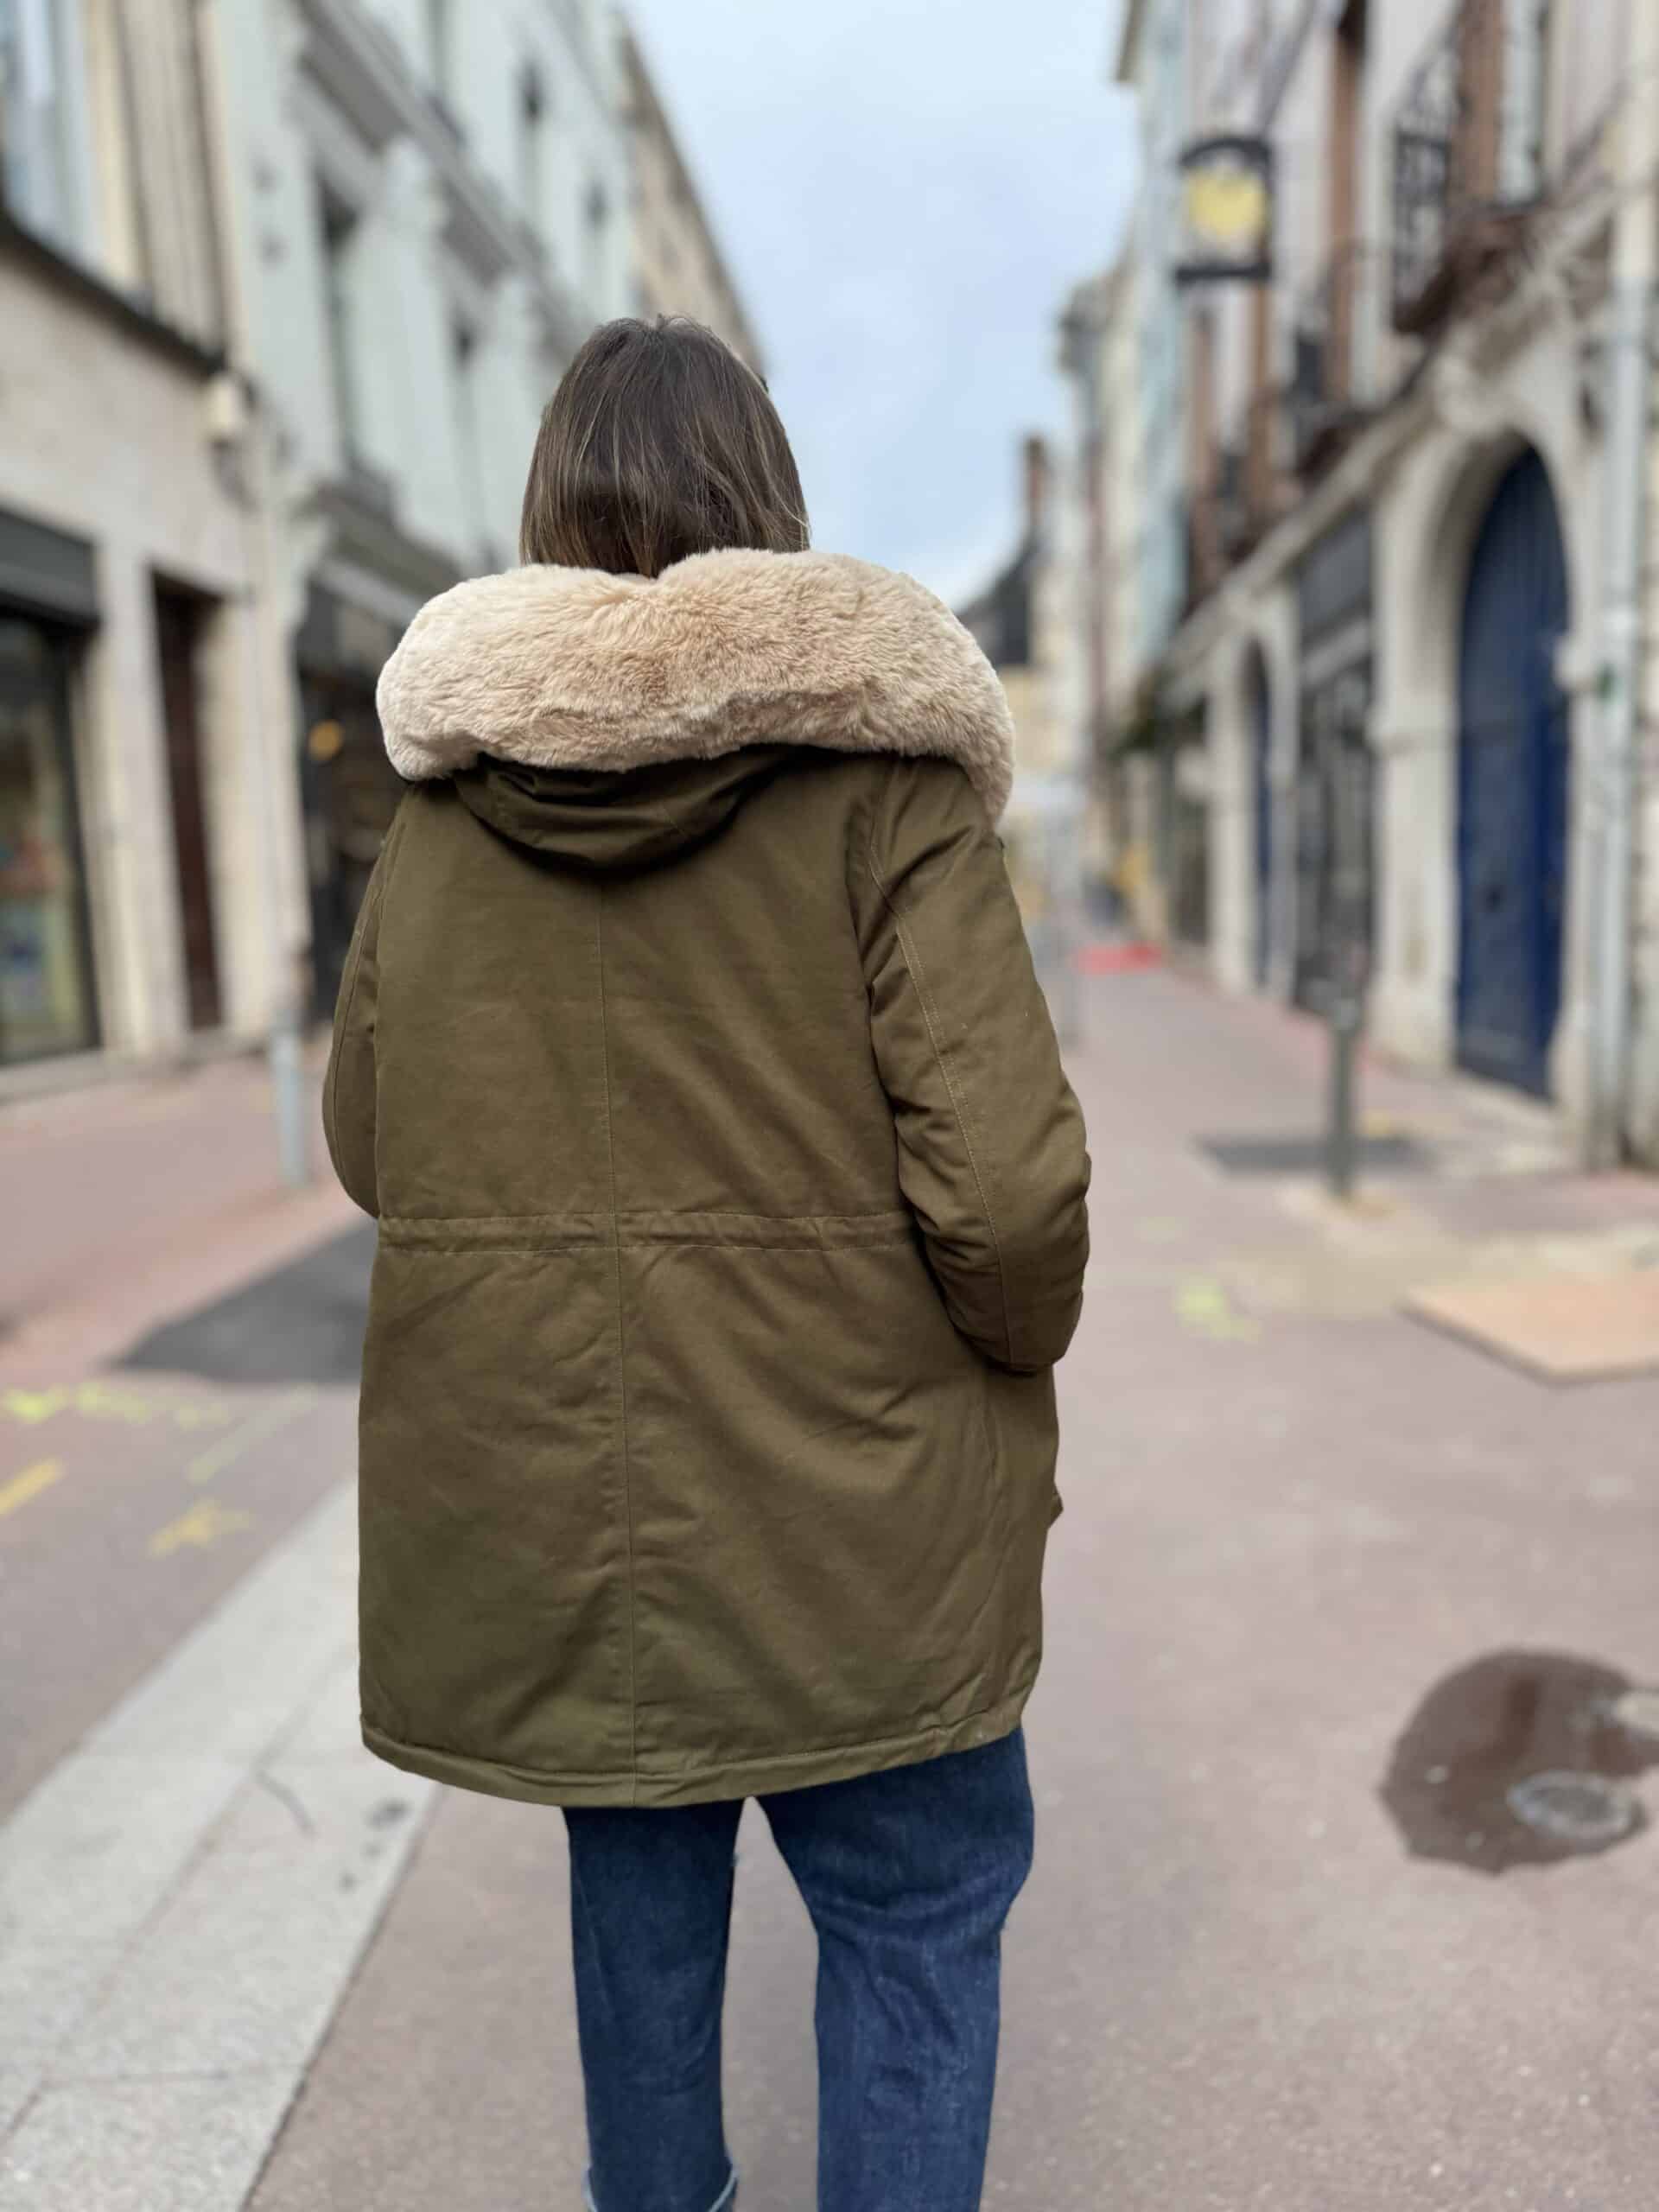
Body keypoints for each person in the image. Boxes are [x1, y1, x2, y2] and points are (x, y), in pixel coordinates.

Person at [324, 316, 1090, 2212]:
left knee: (640, 1922)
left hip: (576, 1519)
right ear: (768, 502)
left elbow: (375, 1147)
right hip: (869, 1519)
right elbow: (1004, 1195)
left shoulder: (443, 821)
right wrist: (998, 1359)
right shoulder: (887, 791)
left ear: (548, 512)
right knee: (917, 1916)